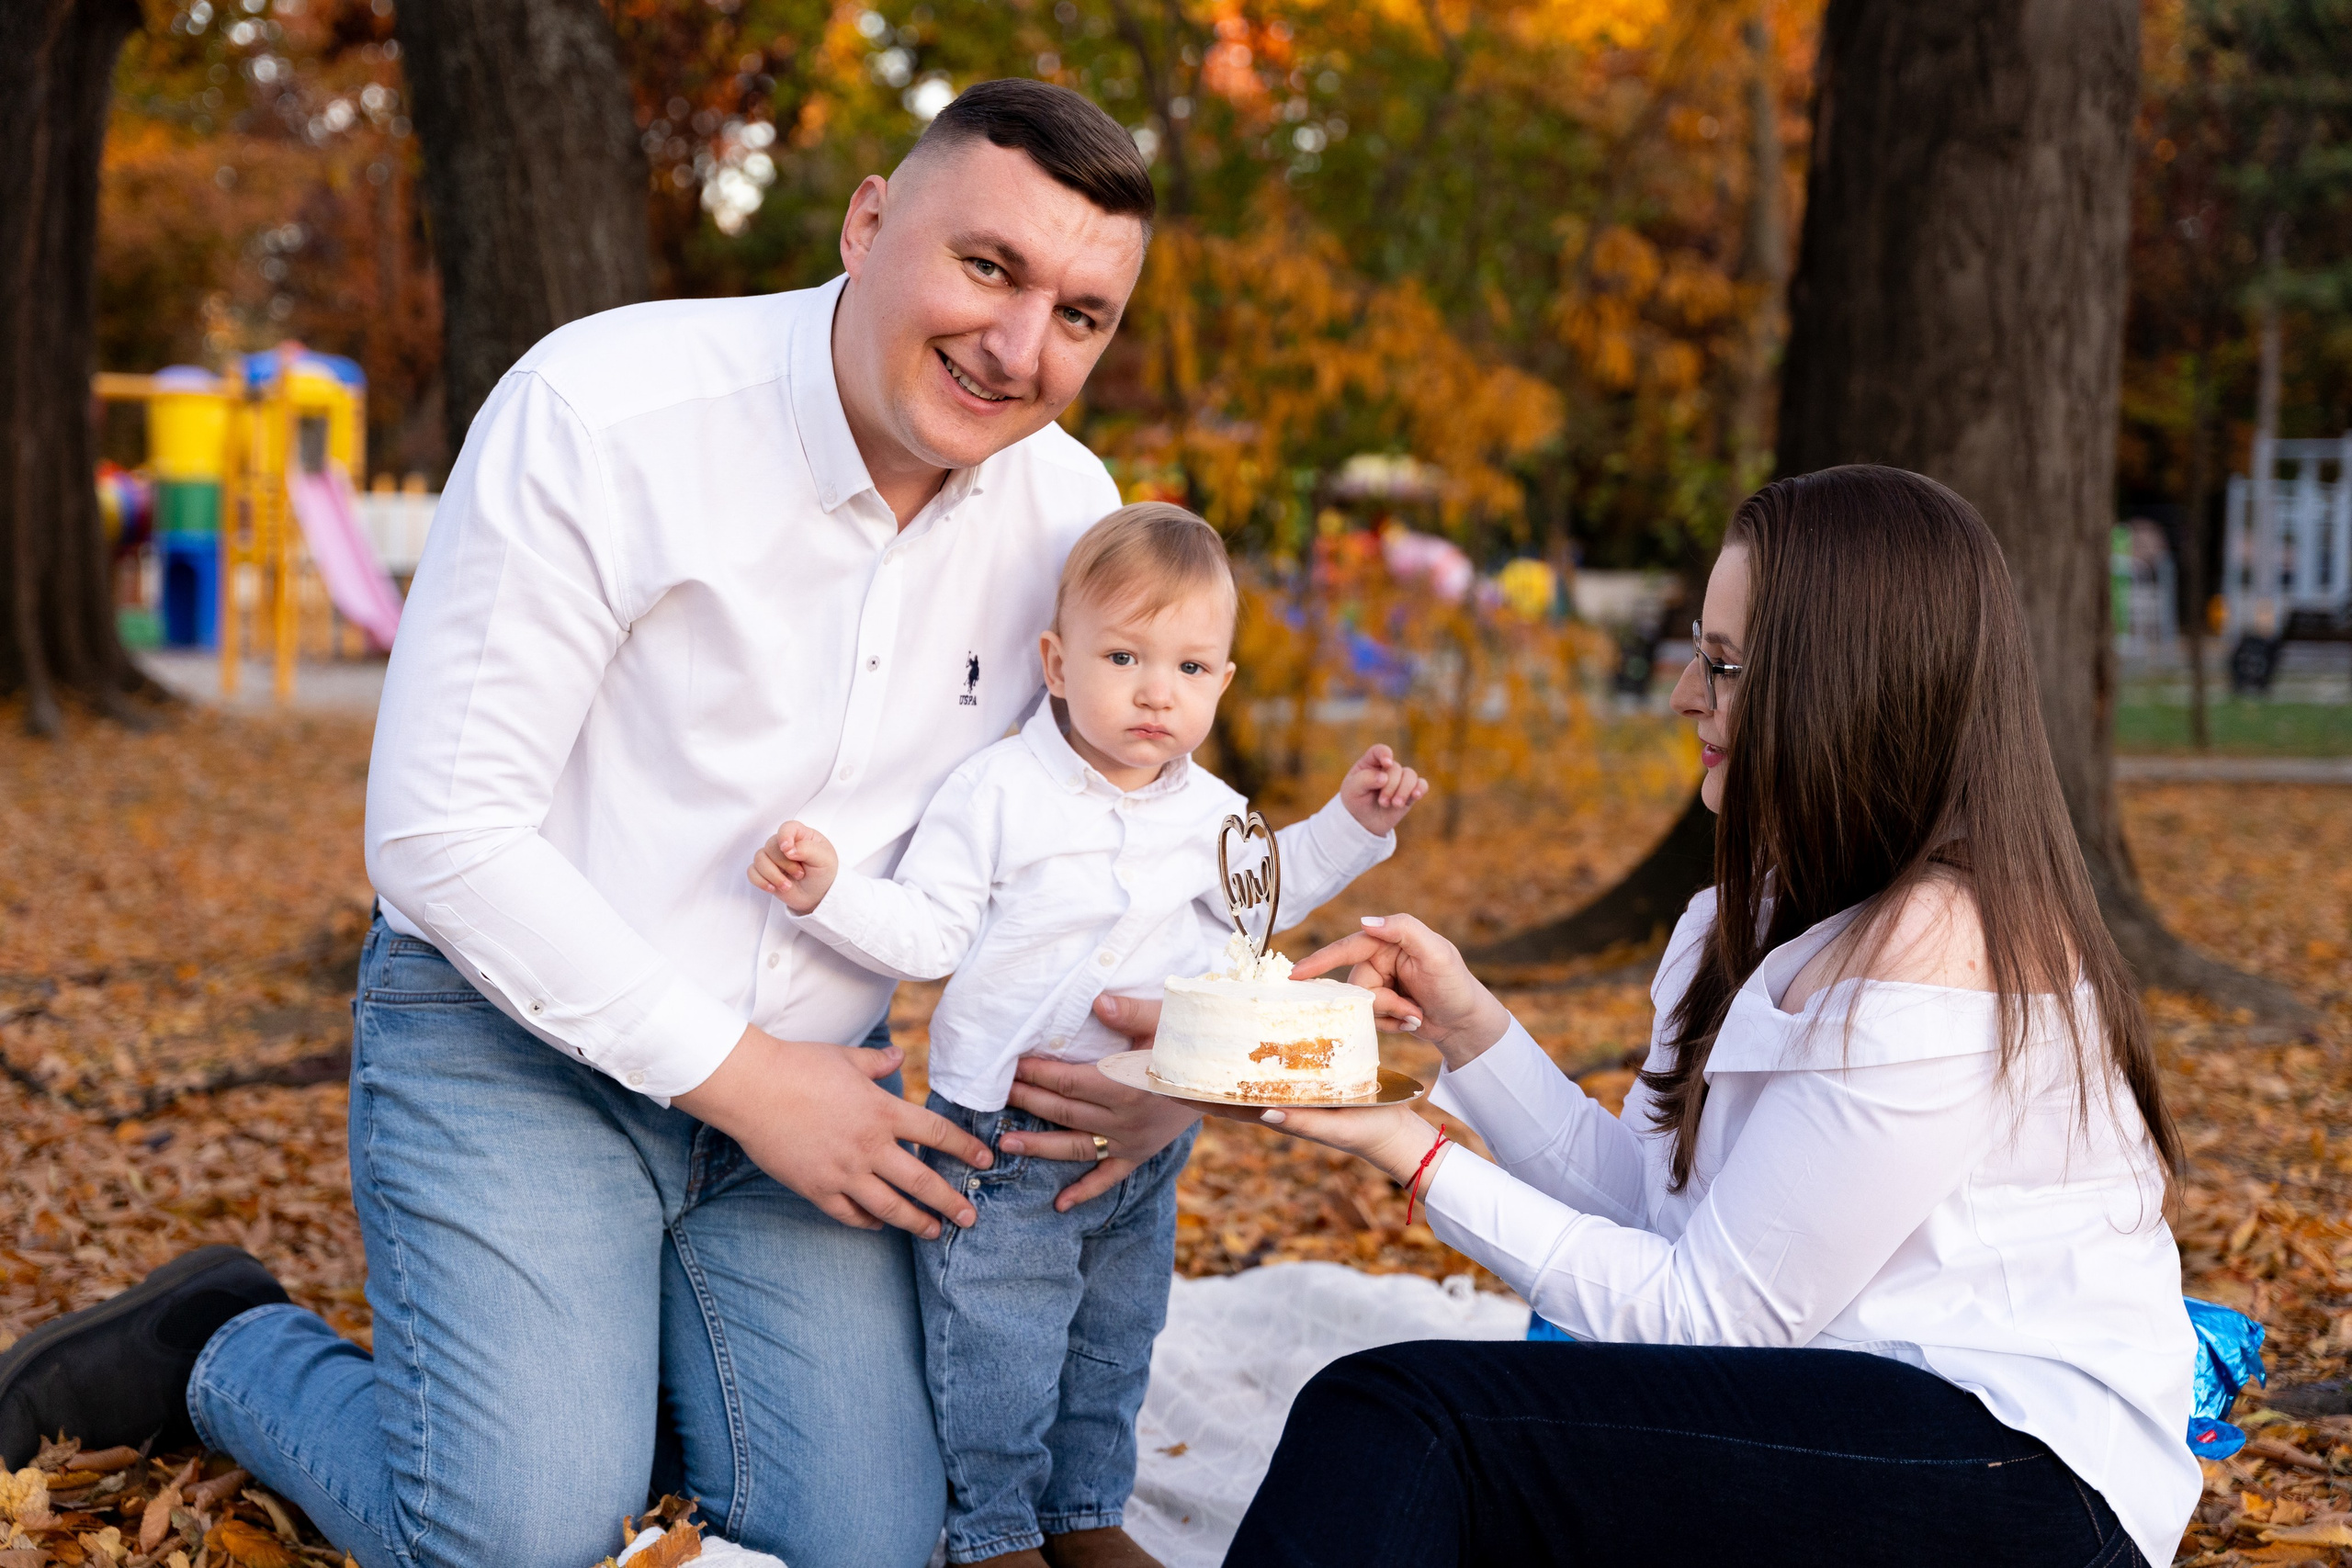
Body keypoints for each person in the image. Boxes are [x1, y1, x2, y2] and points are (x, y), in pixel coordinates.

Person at [0, 81, 1159, 1568]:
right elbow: (437, 833)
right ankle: (226, 1341)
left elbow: (1072, 837)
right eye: (987, 267)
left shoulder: (1068, 512)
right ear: (871, 224)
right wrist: (745, 1080)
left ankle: (611, 1372)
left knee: (878, 1545)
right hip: (509, 1043)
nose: (1021, 348)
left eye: (1082, 313)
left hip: (814, 1091)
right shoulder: (609, 406)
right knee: (514, 1545)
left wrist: (1159, 1071)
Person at [1206, 467, 2199, 1566]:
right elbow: (1655, 1213)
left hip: (2017, 1474)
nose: (1685, 694)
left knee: (1408, 1419)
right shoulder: (1752, 913)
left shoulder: (1944, 943)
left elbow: (1701, 1319)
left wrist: (1412, 1152)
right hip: (1835, 1407)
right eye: (1698, 654)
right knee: (1429, 1451)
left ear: (1847, 684)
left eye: (1724, 667)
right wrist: (1465, 1034)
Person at [749, 502, 1428, 1568]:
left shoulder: (1214, 813)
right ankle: (995, 1529)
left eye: (1192, 668)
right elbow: (929, 932)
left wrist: (1356, 822)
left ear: (1222, 685)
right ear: (1058, 665)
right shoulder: (999, 793)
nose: (1158, 691)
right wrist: (828, 892)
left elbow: (1268, 891)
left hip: (1145, 1142)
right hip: (1001, 1138)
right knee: (1001, 1344)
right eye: (1125, 656)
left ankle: (1085, 1512)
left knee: (1113, 1339)